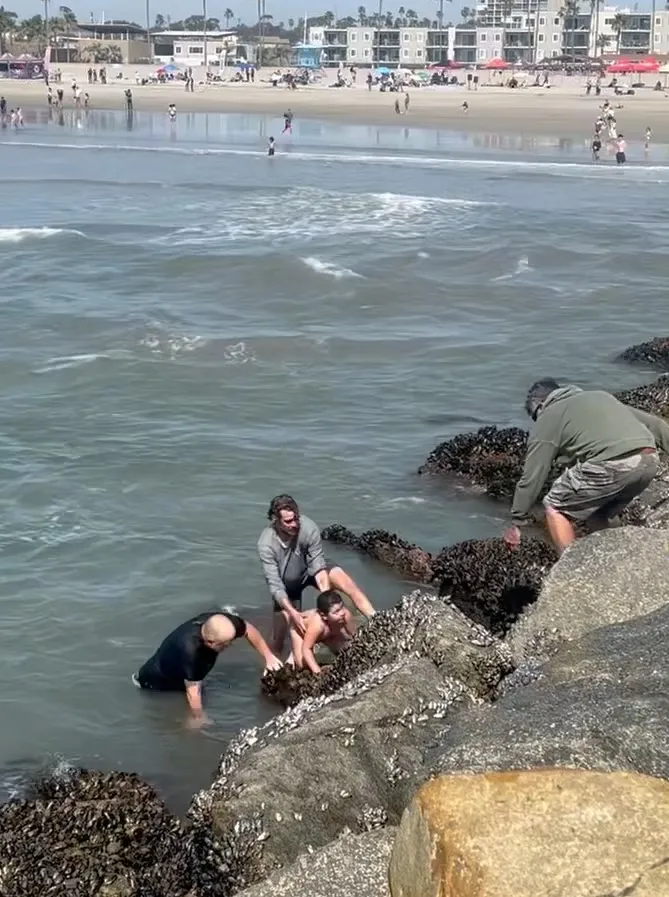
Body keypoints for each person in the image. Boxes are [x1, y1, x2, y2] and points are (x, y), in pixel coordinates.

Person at [503, 379, 669, 554]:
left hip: (614, 464)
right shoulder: (600, 397)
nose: (538, 422)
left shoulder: (549, 415)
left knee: (554, 506)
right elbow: (656, 425)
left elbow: (532, 476)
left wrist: (517, 520)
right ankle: (623, 556)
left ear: (540, 406)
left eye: (535, 417)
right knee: (599, 515)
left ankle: (571, 570)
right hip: (649, 459)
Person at [257, 494, 375, 658]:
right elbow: (275, 584)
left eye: (296, 518)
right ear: (275, 520)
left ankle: (377, 621)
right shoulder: (266, 543)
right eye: (288, 521)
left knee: (348, 584)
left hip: (311, 569)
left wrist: (326, 604)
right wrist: (293, 613)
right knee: (279, 638)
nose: (295, 524)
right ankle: (275, 667)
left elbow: (318, 566)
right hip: (287, 584)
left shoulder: (308, 527)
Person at [134, 610, 282, 726]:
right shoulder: (192, 652)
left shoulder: (221, 623)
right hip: (155, 680)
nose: (229, 646)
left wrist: (268, 656)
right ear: (210, 642)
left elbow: (248, 629)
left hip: (184, 669)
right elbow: (193, 690)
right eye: (224, 644)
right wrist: (198, 716)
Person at [298, 590, 356, 673]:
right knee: (302, 665)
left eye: (342, 607)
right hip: (302, 631)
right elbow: (306, 649)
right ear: (324, 616)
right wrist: (317, 672)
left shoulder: (345, 615)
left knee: (346, 650)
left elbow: (355, 636)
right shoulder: (317, 625)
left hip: (329, 633)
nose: (342, 613)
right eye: (336, 611)